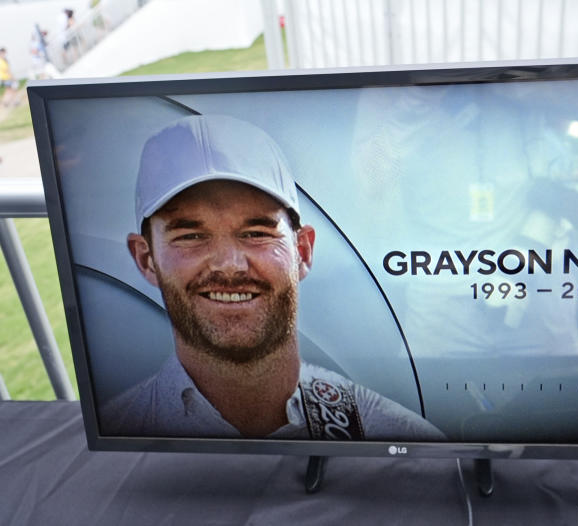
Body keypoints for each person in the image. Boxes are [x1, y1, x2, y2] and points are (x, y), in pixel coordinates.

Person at [103, 115, 445, 441]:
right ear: (146, 260)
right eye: (191, 236)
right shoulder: (117, 439)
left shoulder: (398, 436)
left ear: (303, 251)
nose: (230, 265)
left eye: (255, 232)